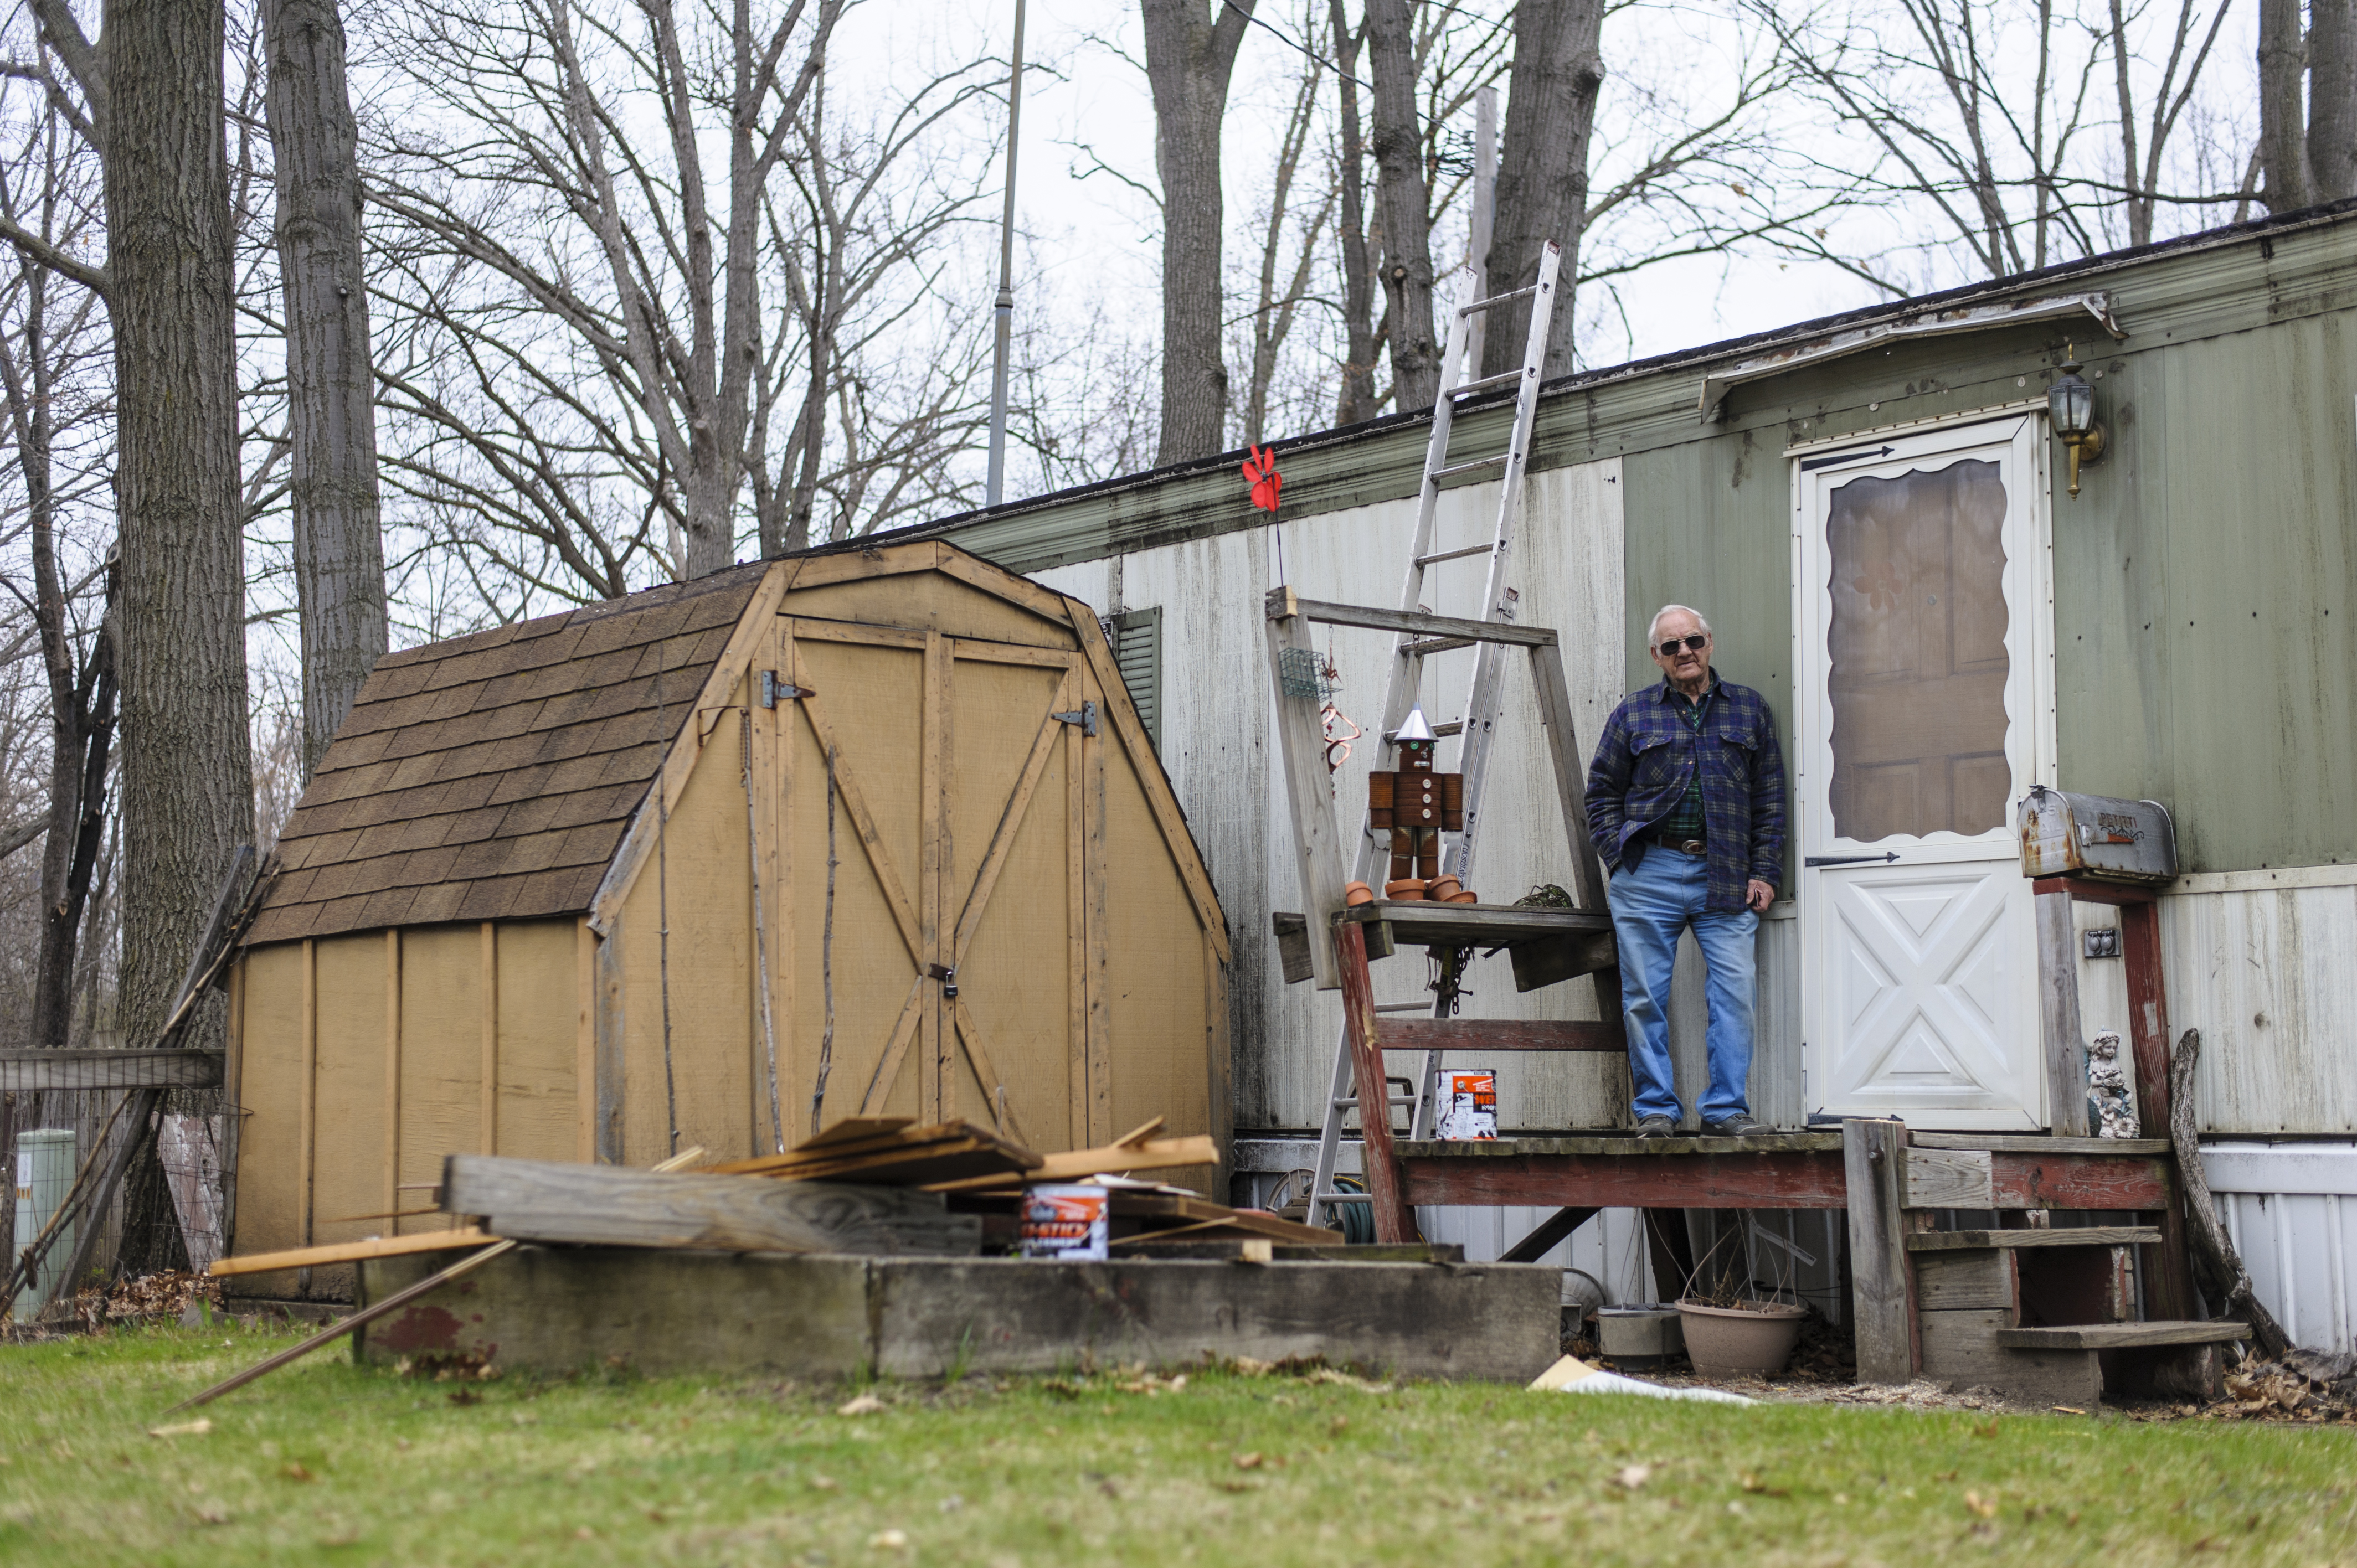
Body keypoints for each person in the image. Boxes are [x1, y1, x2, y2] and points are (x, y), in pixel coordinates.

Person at [1584, 605, 1785, 1138]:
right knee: (1644, 994)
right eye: (1671, 647)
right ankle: (1656, 1110)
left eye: (1692, 640)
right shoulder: (1634, 714)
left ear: (1710, 643)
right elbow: (1601, 792)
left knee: (1735, 991)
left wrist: (1764, 872)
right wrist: (1619, 856)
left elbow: (1770, 799)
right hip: (1649, 870)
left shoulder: (1749, 710)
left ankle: (1725, 1111)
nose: (1684, 653)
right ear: (1657, 656)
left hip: (1726, 872)